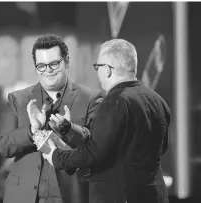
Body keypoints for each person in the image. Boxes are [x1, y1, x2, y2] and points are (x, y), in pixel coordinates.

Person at [42, 39, 170, 203]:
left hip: (121, 196)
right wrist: (68, 129)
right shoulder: (157, 100)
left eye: (98, 67)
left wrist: (57, 157)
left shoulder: (114, 101)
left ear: (108, 69)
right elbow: (161, 147)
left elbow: (94, 153)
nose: (97, 72)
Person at [0, 35, 94, 203]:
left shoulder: (90, 98)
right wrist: (31, 131)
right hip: (24, 196)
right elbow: (4, 145)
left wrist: (68, 130)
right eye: (41, 66)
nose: (48, 70)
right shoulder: (18, 99)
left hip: (68, 195)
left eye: (54, 63)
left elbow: (95, 147)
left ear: (67, 62)